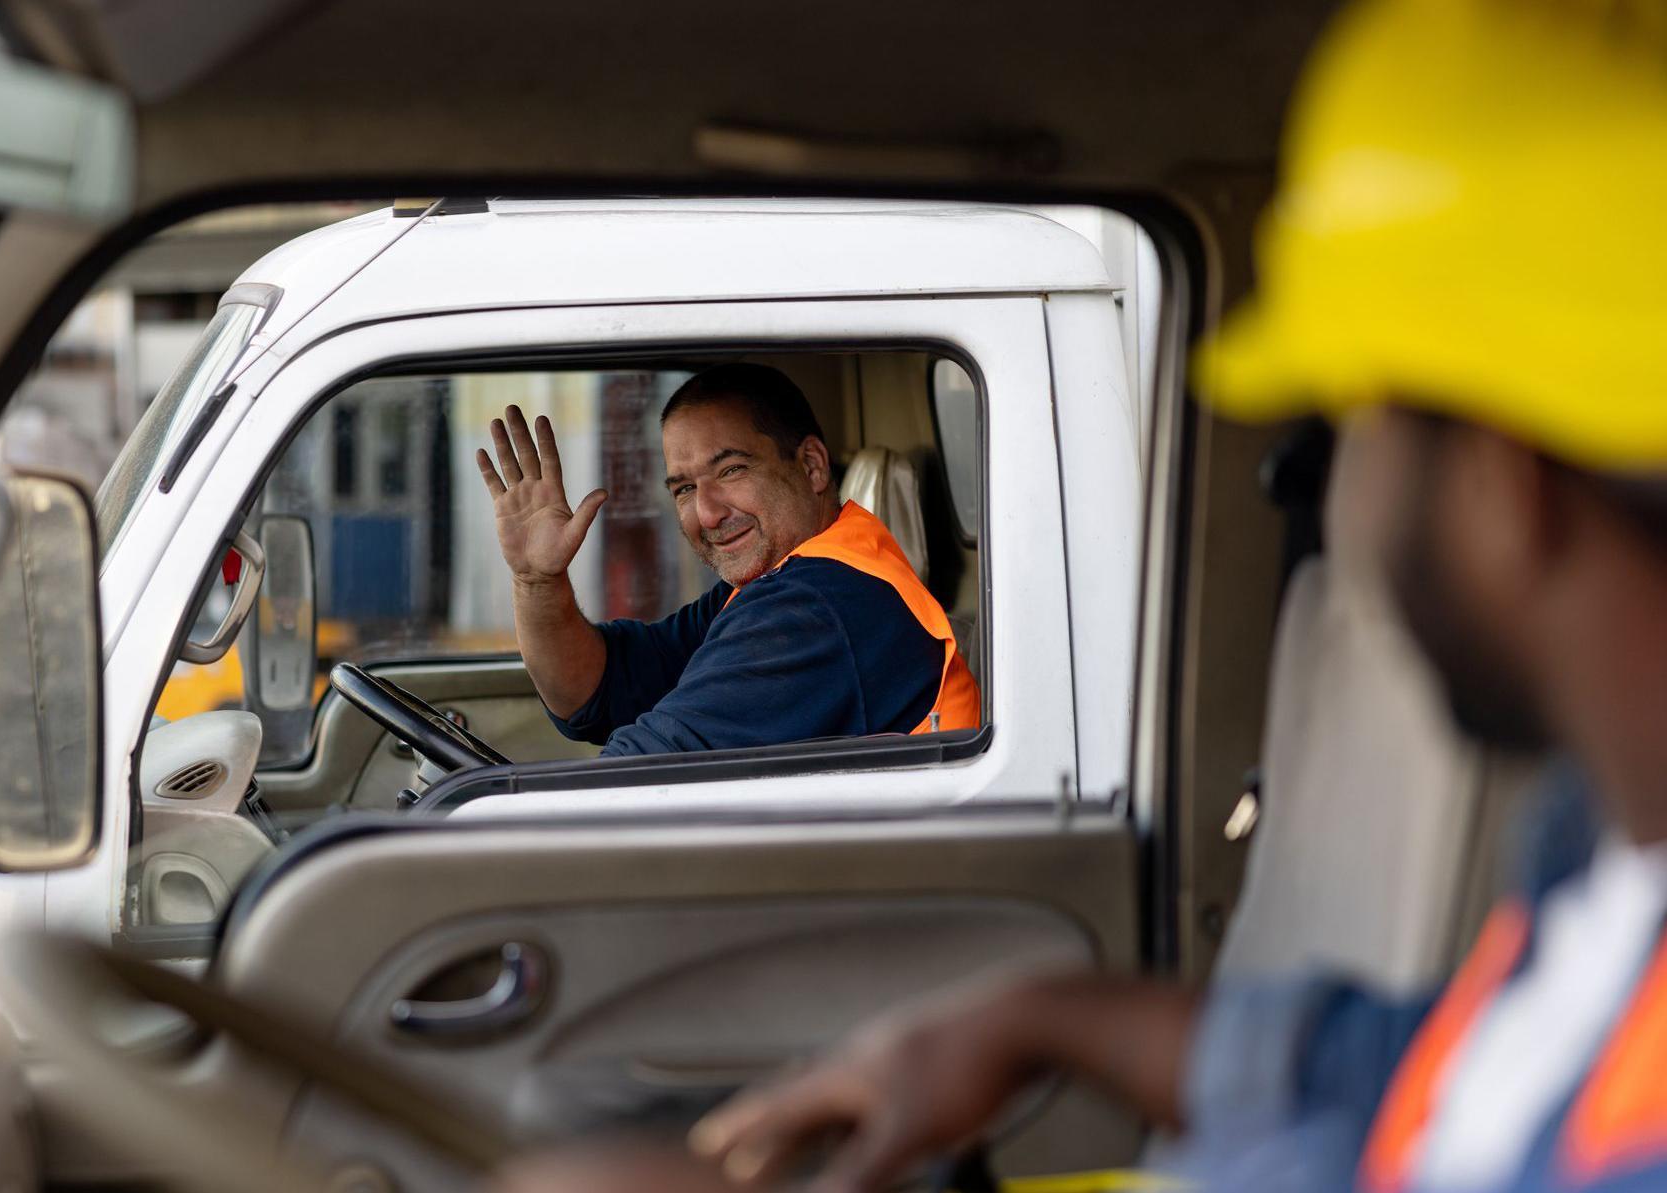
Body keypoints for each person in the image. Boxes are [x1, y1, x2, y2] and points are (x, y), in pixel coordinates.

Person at [496, 0, 1667, 1189]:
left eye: (1355, 424)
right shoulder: (1595, 860)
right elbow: (1395, 1070)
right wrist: (1033, 1019)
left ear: (1499, 487)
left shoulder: (829, 600)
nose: (1324, 495)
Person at [473, 363, 979, 756]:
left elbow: (643, 775)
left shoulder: (819, 605)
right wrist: (537, 581)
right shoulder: (781, 583)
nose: (708, 513)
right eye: (686, 488)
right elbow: (596, 692)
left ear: (811, 465)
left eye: (732, 470)